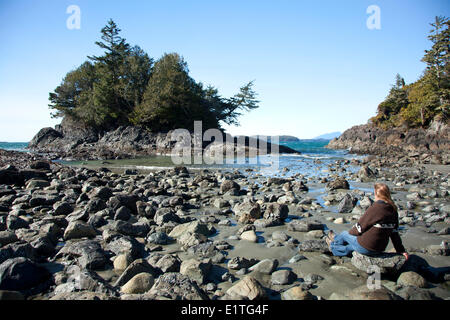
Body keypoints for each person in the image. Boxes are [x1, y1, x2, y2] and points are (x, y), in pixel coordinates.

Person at [326, 183, 409, 260]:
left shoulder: (376, 207)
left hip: (366, 247)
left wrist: (350, 235)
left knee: (344, 234)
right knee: (350, 247)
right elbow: (394, 234)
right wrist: (401, 250)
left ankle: (333, 243)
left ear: (377, 194)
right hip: (379, 249)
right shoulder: (393, 210)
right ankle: (336, 246)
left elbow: (360, 227)